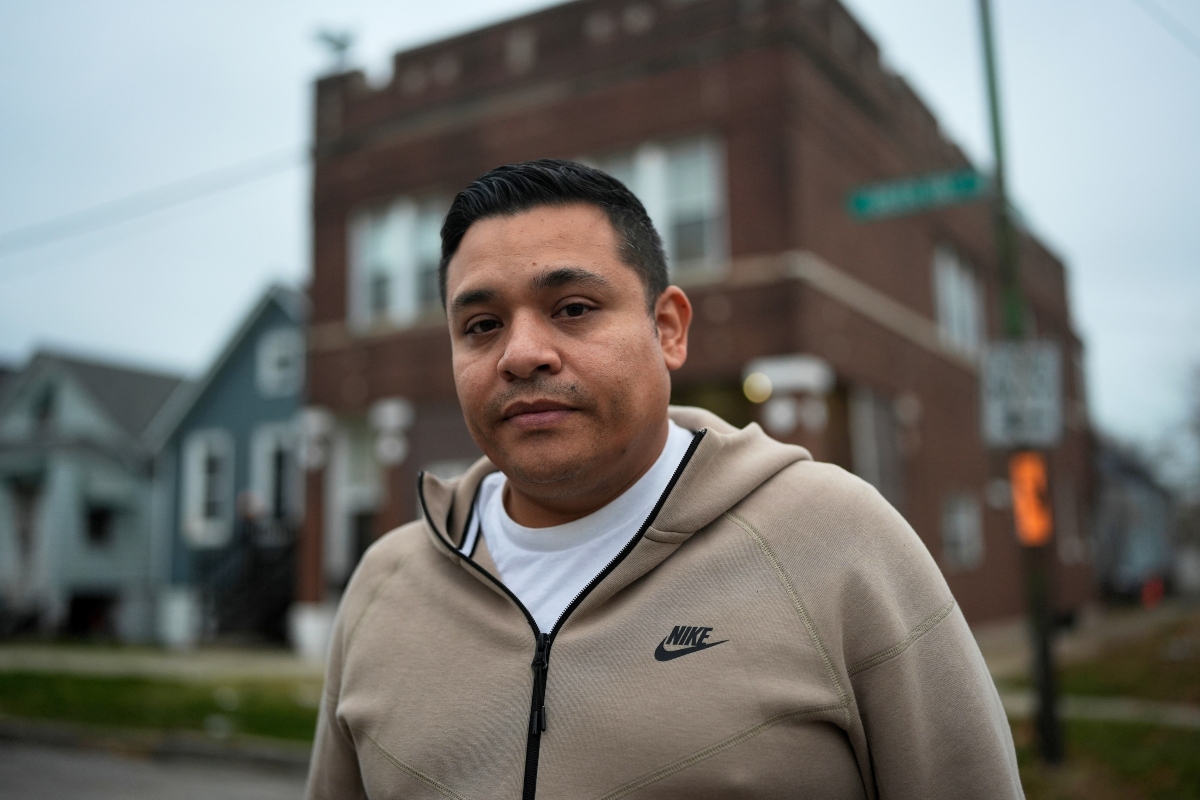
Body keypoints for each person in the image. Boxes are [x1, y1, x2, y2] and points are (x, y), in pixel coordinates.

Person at [305, 160, 1023, 800]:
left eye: (574, 308)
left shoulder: (837, 542)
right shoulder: (383, 587)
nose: (521, 354)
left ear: (669, 328)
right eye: (482, 325)